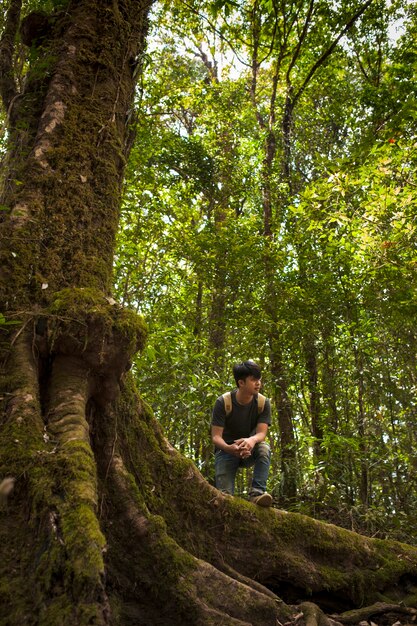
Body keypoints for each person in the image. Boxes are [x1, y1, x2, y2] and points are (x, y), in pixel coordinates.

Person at [211, 360, 273, 507]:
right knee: (226, 500)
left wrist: (251, 441)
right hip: (226, 451)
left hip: (249, 449)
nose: (258, 383)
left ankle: (257, 493)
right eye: (253, 380)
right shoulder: (223, 402)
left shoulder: (263, 403)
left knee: (264, 448)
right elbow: (215, 436)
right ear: (241, 383)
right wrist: (229, 448)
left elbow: (261, 433)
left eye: (259, 379)